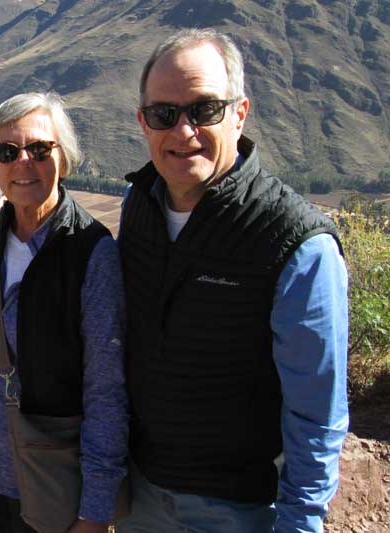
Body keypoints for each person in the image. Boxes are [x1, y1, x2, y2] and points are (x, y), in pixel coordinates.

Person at [115, 29, 348, 532]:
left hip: (241, 511)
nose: (183, 132)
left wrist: (300, 524)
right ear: (143, 122)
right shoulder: (140, 206)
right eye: (164, 114)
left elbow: (317, 415)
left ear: (239, 113)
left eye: (204, 111)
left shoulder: (296, 243)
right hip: (142, 496)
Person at [0, 92, 129, 533]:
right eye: (8, 152)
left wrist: (96, 510)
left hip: (51, 485)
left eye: (40, 149)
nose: (23, 162)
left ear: (64, 157)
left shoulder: (89, 254)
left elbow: (107, 390)